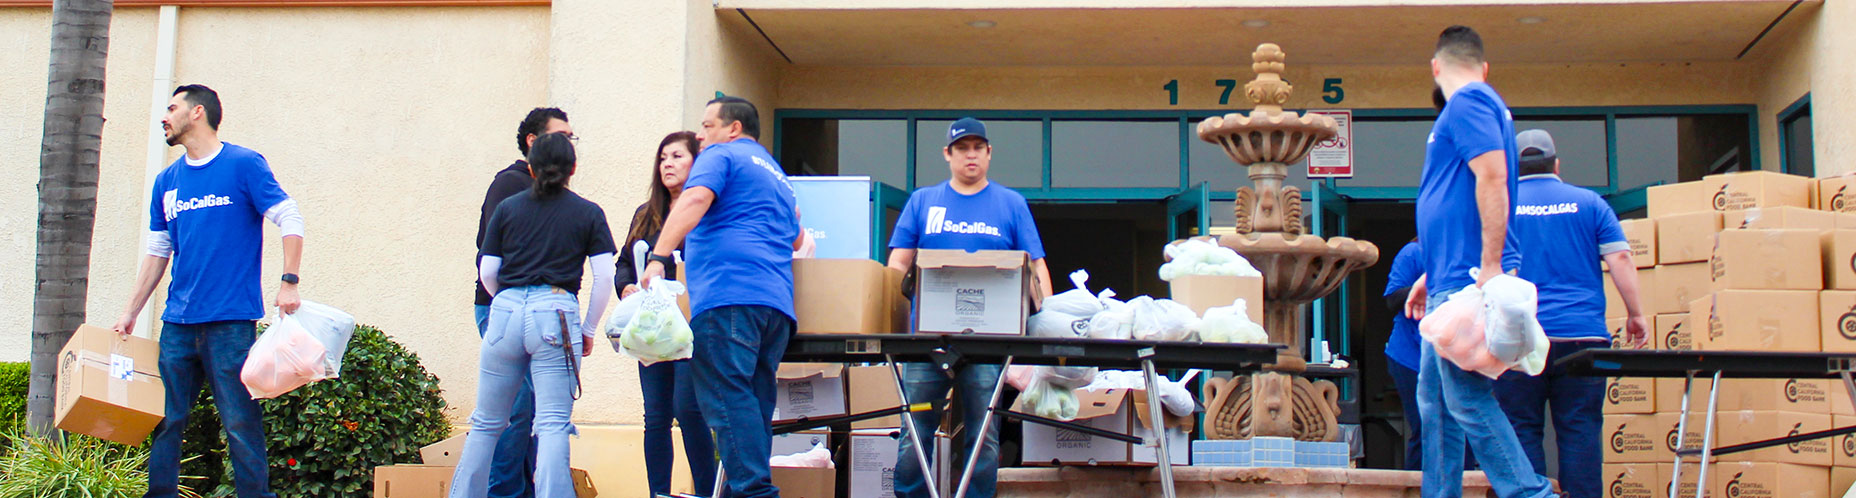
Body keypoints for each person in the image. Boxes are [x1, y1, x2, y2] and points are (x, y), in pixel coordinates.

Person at [112, 84, 303, 498]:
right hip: (177, 324)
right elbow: (158, 250)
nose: (164, 116)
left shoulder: (243, 165)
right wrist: (131, 311)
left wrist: (289, 281)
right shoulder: (167, 181)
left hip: (230, 323)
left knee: (239, 422)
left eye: (171, 108)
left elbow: (289, 216)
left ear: (197, 112)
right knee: (166, 420)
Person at [1403, 26, 1556, 498]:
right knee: (1436, 402)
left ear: (1435, 65)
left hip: (1470, 279)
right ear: (1483, 64)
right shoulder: (1469, 106)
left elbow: (1492, 179)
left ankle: (1531, 493)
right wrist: (1432, 273)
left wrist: (1488, 268)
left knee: (1466, 397)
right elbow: (1461, 198)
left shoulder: (1469, 101)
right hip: (1453, 276)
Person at [638, 96, 800, 498]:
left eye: (707, 125)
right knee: (754, 404)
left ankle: (756, 493)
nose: (700, 134)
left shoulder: (721, 155)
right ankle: (739, 490)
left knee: (726, 399)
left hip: (729, 296)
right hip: (775, 304)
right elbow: (797, 234)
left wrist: (658, 256)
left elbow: (694, 200)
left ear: (734, 129)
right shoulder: (775, 173)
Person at [885, 117, 1053, 498]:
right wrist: (890, 321)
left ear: (989, 153)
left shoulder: (1011, 203)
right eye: (962, 148)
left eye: (978, 147)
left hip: (989, 343)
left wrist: (1042, 327)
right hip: (926, 342)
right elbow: (897, 264)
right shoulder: (923, 201)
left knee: (984, 433)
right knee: (915, 429)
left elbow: (1036, 268)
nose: (971, 154)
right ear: (948, 154)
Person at [454, 132, 615, 498]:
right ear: (573, 168)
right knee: (553, 424)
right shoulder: (588, 212)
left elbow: (488, 269)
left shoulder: (509, 208)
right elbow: (604, 275)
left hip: (506, 310)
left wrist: (509, 300)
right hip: (556, 313)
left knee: (486, 422)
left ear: (530, 166)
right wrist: (588, 327)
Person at [1494, 129, 1649, 498]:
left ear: (1514, 168)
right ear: (1556, 163)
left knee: (1520, 427)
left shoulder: (1501, 206)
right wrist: (1636, 314)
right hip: (1583, 337)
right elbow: (1621, 258)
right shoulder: (1590, 203)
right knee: (1580, 429)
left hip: (1521, 337)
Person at [471, 107, 573, 498]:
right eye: (562, 136)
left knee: (534, 410)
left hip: (539, 314)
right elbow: (489, 260)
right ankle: (503, 492)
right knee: (514, 409)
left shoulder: (557, 197)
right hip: (505, 309)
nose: (570, 145)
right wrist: (515, 303)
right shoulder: (510, 186)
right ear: (535, 142)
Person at [616, 131, 717, 497]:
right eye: (663, 158)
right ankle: (658, 491)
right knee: (655, 415)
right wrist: (626, 286)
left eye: (677, 156)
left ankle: (707, 490)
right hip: (652, 329)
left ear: (696, 163)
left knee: (688, 410)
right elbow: (623, 263)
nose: (668, 164)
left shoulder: (705, 213)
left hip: (690, 327)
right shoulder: (645, 215)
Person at [1381, 239, 1425, 471]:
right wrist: (1427, 286)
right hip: (1410, 356)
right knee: (1424, 427)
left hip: (1450, 354)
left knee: (1457, 428)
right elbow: (1392, 299)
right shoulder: (1413, 252)